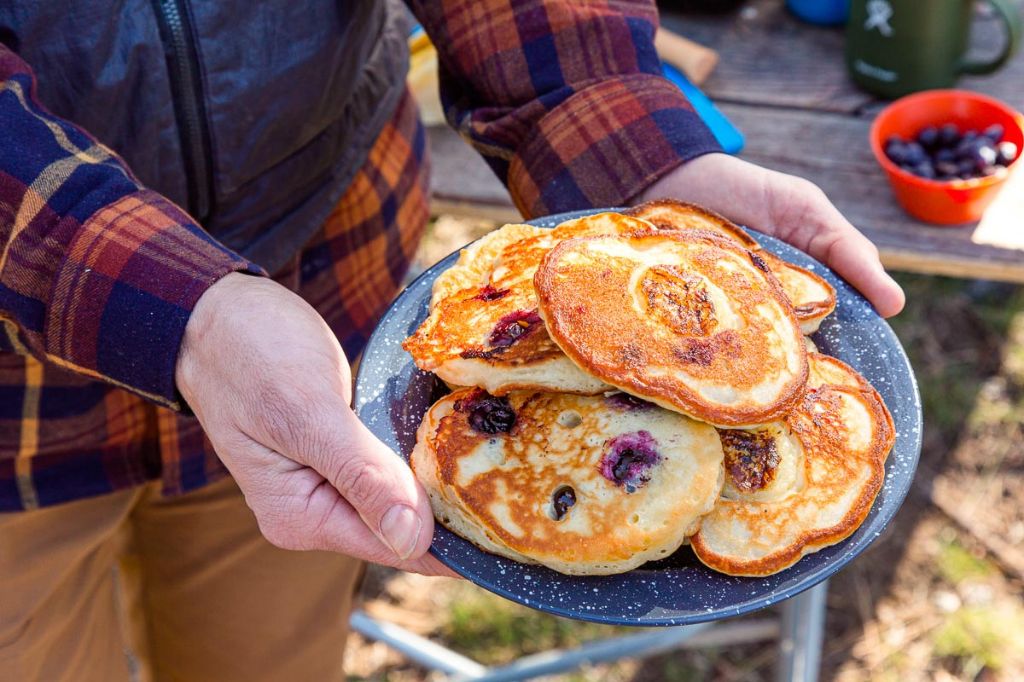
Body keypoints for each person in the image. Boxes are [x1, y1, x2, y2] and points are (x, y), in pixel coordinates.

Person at [0, 1, 905, 680]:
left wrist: (619, 134)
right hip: (22, 413)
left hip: (323, 285)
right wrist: (178, 309)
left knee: (271, 654)